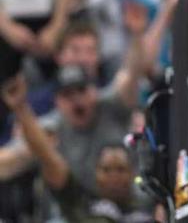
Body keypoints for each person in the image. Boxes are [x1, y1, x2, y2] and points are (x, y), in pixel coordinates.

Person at [1, 74, 153, 222]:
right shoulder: (82, 204)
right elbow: (48, 158)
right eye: (106, 170)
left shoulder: (150, 205)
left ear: (132, 174)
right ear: (96, 176)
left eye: (120, 169)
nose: (114, 177)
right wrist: (20, 107)